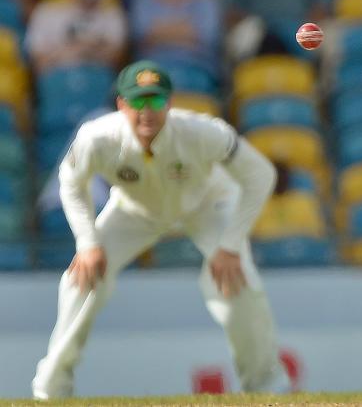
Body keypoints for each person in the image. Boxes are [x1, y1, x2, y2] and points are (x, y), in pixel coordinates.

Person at [31, 60, 288, 399]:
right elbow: (70, 183)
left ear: (169, 103)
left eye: (155, 101)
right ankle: (51, 388)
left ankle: (267, 389)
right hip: (136, 210)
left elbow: (260, 175)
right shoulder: (97, 137)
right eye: (137, 101)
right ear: (122, 104)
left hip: (207, 204)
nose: (146, 111)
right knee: (81, 280)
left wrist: (229, 244)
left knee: (239, 281)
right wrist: (88, 242)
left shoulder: (203, 131)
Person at [25, 0, 126, 74]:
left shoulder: (111, 10)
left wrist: (84, 50)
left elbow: (116, 57)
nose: (91, 1)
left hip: (96, 76)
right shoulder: (48, 9)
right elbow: (37, 60)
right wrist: (77, 50)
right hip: (57, 77)